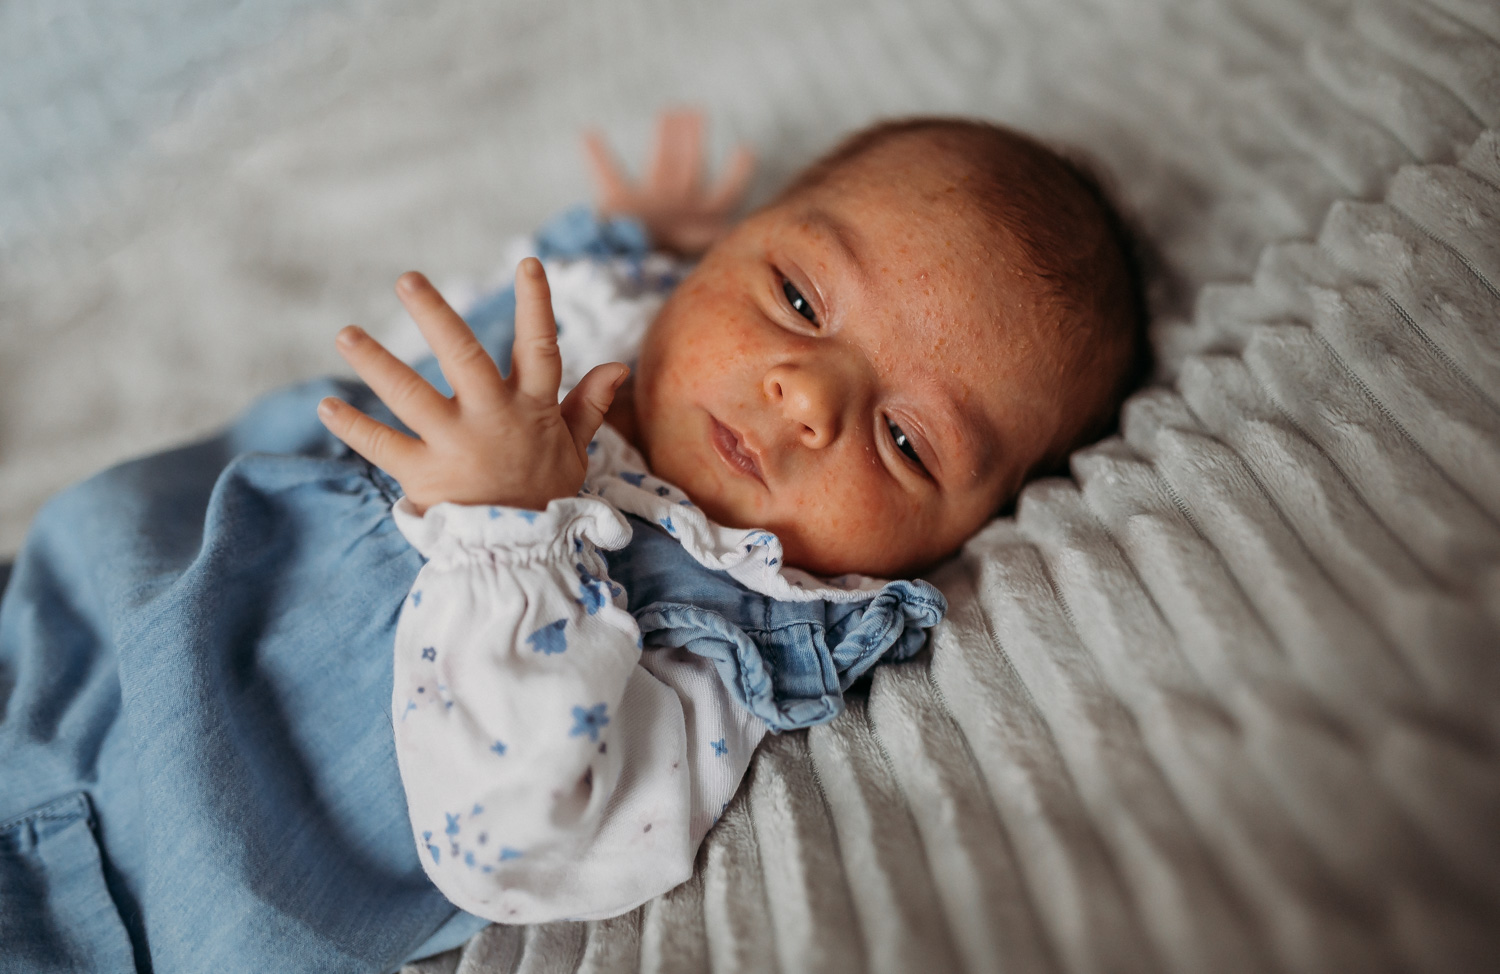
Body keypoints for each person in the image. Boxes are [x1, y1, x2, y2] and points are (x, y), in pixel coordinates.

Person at [0, 110, 1146, 973]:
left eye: (905, 440)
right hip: (59, 618)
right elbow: (435, 339)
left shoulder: (724, 652)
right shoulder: (599, 318)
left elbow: (520, 835)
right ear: (722, 252)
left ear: (956, 539)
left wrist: (508, 536)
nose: (807, 395)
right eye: (798, 296)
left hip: (107, 899)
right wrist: (620, 238)